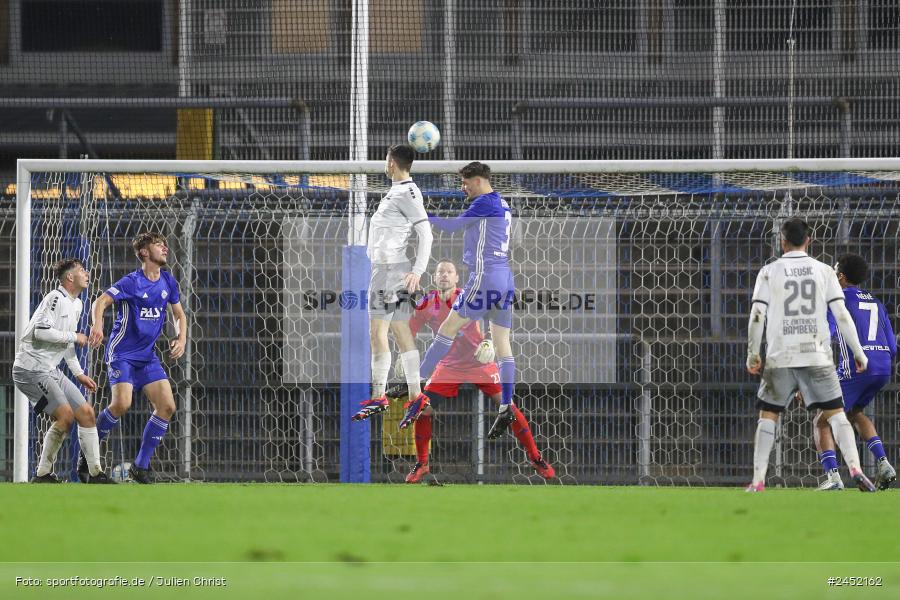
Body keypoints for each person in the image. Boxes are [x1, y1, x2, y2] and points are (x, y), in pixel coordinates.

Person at [745, 218, 876, 492]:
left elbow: (758, 315)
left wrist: (753, 353)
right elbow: (841, 315)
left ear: (782, 241)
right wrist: (858, 353)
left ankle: (758, 480)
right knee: (838, 414)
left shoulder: (769, 272)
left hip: (781, 356)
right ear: (809, 240)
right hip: (817, 355)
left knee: (768, 416)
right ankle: (855, 468)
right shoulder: (825, 271)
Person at [396, 260, 555, 483]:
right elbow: (409, 331)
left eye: (449, 271)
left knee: (507, 406)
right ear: (434, 278)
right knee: (423, 408)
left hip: (480, 363)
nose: (444, 275)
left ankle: (536, 457)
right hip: (448, 365)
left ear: (456, 278)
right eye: (440, 272)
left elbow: (495, 317)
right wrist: (404, 355)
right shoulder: (426, 303)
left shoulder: (470, 296)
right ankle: (422, 464)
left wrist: (489, 341)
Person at [408, 161, 519, 439]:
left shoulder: (484, 202)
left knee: (447, 328)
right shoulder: (503, 204)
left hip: (485, 275)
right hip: (505, 277)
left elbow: (452, 226)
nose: (462, 188)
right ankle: (506, 405)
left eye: (465, 183)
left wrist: (422, 218)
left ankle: (416, 379)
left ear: (479, 181)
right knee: (503, 344)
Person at [88, 232, 187, 484]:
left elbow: (178, 314)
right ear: (144, 252)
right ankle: (87, 455)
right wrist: (98, 325)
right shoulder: (132, 282)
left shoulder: (167, 281)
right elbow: (100, 302)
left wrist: (181, 337)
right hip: (122, 354)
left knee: (167, 407)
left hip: (147, 357)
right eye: (157, 244)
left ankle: (140, 467)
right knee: (122, 404)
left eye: (164, 244)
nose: (164, 247)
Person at [352, 144, 433, 422]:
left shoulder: (407, 193)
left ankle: (379, 396)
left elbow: (426, 234)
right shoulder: (400, 191)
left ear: (391, 164)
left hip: (390, 271)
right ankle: (415, 395)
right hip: (389, 269)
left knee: (377, 332)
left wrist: (418, 271)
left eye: (386, 160)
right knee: (399, 331)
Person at [12, 258, 111, 483]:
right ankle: (43, 474)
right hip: (30, 368)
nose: (87, 274)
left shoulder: (77, 304)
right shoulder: (55, 298)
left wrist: (78, 374)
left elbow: (66, 345)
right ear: (69, 277)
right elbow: (41, 332)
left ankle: (95, 474)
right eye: (82, 271)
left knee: (86, 413)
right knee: (65, 416)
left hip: (50, 369)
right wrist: (75, 337)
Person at [813, 253, 896, 491]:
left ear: (840, 277)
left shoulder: (837, 299)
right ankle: (884, 463)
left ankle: (833, 478)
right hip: (883, 368)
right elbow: (891, 346)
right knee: (854, 412)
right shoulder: (877, 303)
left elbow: (826, 334)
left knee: (822, 420)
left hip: (857, 368)